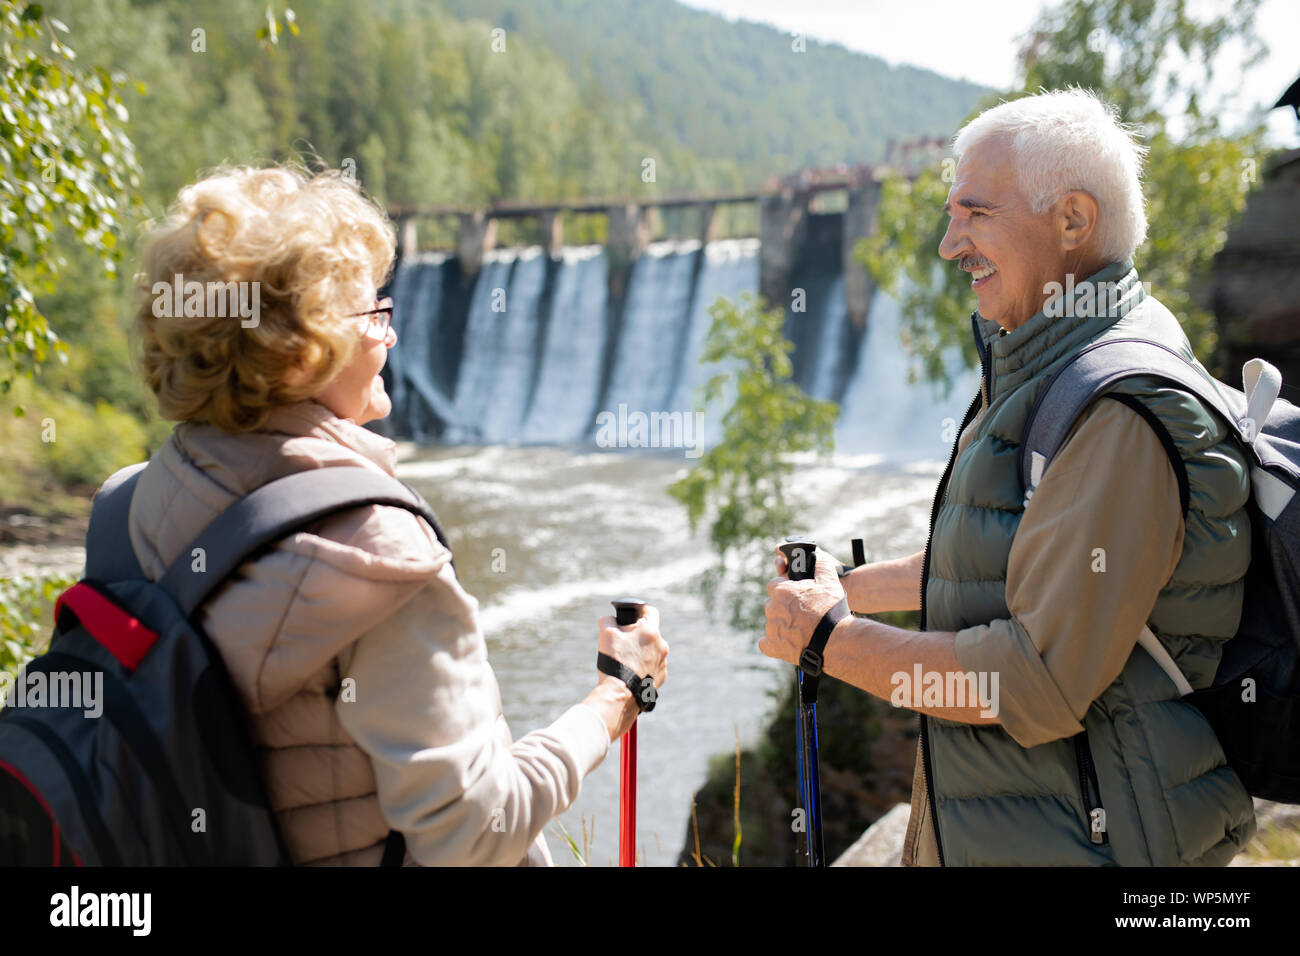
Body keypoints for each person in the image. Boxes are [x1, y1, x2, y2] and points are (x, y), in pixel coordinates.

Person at [762, 88, 1256, 866]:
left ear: (1073, 221)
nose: (948, 245)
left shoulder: (1119, 412)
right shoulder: (1059, 355)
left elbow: (1029, 684)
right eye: (951, 215)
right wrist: (849, 589)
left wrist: (831, 641)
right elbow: (1019, 559)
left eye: (976, 214)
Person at [123, 163, 668, 865]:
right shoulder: (377, 554)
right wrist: (615, 698)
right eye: (373, 316)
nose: (391, 335)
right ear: (299, 354)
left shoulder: (150, 493)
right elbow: (475, 832)